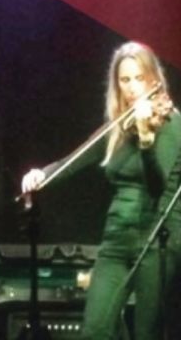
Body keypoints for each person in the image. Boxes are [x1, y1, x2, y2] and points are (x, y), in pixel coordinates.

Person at [21, 41, 181, 340]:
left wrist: (147, 143)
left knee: (147, 333)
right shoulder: (118, 127)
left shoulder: (171, 124)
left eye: (139, 78)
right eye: (125, 80)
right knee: (95, 329)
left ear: (153, 79)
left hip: (157, 242)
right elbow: (75, 160)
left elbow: (157, 187)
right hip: (116, 239)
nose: (132, 87)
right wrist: (42, 175)